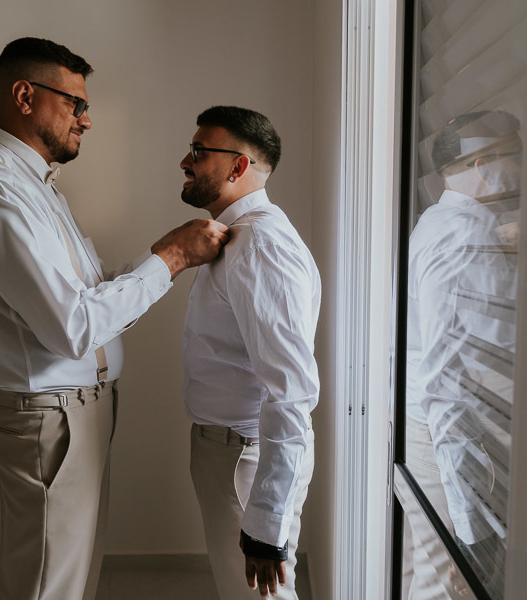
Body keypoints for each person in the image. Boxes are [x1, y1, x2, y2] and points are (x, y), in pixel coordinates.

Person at [0, 37, 228, 600]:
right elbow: (73, 327)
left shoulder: (34, 187)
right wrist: (172, 258)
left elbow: (88, 298)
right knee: (51, 585)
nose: (86, 120)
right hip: (52, 419)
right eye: (75, 103)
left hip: (71, 415)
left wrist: (164, 255)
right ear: (24, 95)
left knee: (69, 575)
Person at [177, 106, 320, 599]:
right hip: (230, 450)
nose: (185, 161)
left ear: (238, 166)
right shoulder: (238, 238)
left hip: (246, 458)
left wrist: (266, 523)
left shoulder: (259, 244)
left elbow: (292, 390)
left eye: (199, 151)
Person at [403, 110, 521, 599]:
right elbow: (449, 377)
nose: (522, 168)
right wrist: (471, 518)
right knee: (449, 587)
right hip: (450, 441)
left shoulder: (448, 222)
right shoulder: (463, 237)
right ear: (483, 162)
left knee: (430, 577)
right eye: (516, 153)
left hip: (435, 434)